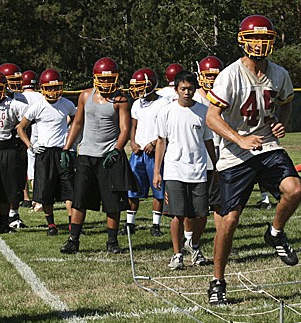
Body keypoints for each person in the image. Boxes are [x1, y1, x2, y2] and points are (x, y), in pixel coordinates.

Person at [205, 14, 301, 305]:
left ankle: (275, 233)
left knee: (294, 190)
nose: (259, 45)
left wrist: (280, 123)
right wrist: (239, 139)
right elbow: (212, 117)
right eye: (254, 38)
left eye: (265, 39)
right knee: (229, 220)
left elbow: (286, 103)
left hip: (267, 146)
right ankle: (218, 280)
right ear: (242, 41)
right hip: (236, 154)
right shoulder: (230, 75)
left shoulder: (279, 74)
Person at [60, 57, 134, 254]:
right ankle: (73, 240)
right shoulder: (85, 95)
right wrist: (66, 148)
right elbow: (77, 123)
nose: (107, 83)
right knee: (80, 199)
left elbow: (125, 129)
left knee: (113, 202)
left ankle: (112, 242)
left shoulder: (121, 100)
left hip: (108, 156)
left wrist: (117, 150)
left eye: (110, 79)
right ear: (95, 78)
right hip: (86, 154)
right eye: (103, 79)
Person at [153, 70, 217, 270]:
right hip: (174, 170)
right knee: (177, 215)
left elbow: (208, 140)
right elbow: (162, 142)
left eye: (190, 89)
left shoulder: (203, 111)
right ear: (176, 89)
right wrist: (157, 170)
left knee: (201, 214)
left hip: (198, 169)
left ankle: (194, 245)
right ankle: (177, 254)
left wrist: (216, 165)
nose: (187, 93)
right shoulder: (166, 112)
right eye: (183, 89)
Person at [17, 68, 76, 236]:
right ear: (43, 88)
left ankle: (73, 223)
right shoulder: (38, 106)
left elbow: (77, 118)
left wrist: (68, 134)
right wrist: (30, 145)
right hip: (43, 153)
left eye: (56, 87)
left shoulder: (66, 104)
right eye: (49, 88)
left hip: (62, 151)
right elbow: (21, 128)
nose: (53, 91)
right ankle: (51, 225)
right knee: (46, 191)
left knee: (69, 190)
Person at [122, 67, 170, 237]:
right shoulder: (137, 104)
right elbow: (133, 126)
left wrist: (154, 143)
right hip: (138, 153)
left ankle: (155, 225)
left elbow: (167, 130)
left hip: (155, 153)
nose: (137, 89)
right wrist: (133, 141)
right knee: (132, 189)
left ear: (150, 84)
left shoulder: (164, 103)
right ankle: (130, 223)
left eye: (141, 85)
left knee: (157, 188)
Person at [0, 71, 29, 236]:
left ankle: (3, 222)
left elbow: (32, 114)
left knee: (5, 187)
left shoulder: (13, 104)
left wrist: (20, 127)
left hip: (8, 147)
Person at [0, 63, 28, 228]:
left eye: (18, 80)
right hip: (1, 143)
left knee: (18, 180)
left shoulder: (21, 98)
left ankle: (14, 215)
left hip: (18, 142)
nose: (16, 83)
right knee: (0, 181)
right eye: (12, 80)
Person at [193, 55, 224, 212]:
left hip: (221, 145)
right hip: (199, 146)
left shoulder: (225, 95)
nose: (211, 79)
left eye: (215, 76)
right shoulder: (193, 97)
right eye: (208, 75)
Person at [20, 70, 44, 210]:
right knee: (39, 167)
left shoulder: (20, 97)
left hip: (26, 133)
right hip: (40, 132)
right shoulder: (41, 95)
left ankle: (30, 199)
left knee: (28, 168)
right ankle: (39, 198)